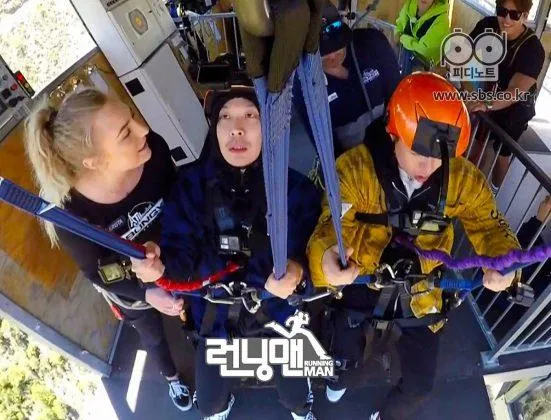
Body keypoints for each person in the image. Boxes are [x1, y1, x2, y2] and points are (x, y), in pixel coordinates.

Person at [307, 73, 522, 419]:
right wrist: (328, 259)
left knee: (420, 385)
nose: (429, 166)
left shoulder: (461, 178)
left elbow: (488, 224)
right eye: (418, 152)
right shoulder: (356, 170)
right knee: (342, 359)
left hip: (423, 289)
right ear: (394, 133)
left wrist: (503, 263)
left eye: (441, 156)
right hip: (362, 275)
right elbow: (331, 227)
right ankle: (340, 377)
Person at [136, 87, 321, 420]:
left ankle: (300, 407)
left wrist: (298, 272)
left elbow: (312, 254)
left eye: (250, 115)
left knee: (296, 398)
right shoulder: (190, 187)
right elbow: (180, 256)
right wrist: (160, 269)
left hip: (277, 314)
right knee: (209, 404)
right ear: (215, 128)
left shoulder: (297, 191)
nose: (237, 128)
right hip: (216, 316)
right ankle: (222, 406)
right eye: (226, 117)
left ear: (267, 127)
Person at [24, 89, 192, 411]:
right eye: (125, 133)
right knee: (152, 334)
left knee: (188, 306)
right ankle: (172, 378)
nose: (143, 129)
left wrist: (173, 255)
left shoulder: (152, 150)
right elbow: (98, 272)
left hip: (175, 256)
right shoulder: (72, 217)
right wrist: (147, 292)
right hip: (131, 290)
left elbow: (180, 200)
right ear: (94, 161)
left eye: (132, 116)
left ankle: (194, 332)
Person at [295, 1, 401, 155]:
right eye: (323, 53)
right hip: (349, 159)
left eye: (337, 47)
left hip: (391, 146)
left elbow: (399, 101)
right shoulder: (303, 84)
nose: (332, 55)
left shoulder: (374, 44)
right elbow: (325, 146)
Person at [466, 0, 545, 193]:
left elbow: (515, 91)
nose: (506, 19)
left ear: (525, 16)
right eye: (502, 11)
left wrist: (486, 103)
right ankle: (467, 182)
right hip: (490, 92)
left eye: (514, 14)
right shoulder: (487, 26)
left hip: (517, 105)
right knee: (478, 139)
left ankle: (495, 190)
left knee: (502, 151)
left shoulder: (533, 50)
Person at [395, 0, 450, 74]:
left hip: (424, 70)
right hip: (403, 61)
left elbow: (424, 51)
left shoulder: (442, 21)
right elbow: (399, 25)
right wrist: (398, 33)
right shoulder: (409, 5)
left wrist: (402, 38)